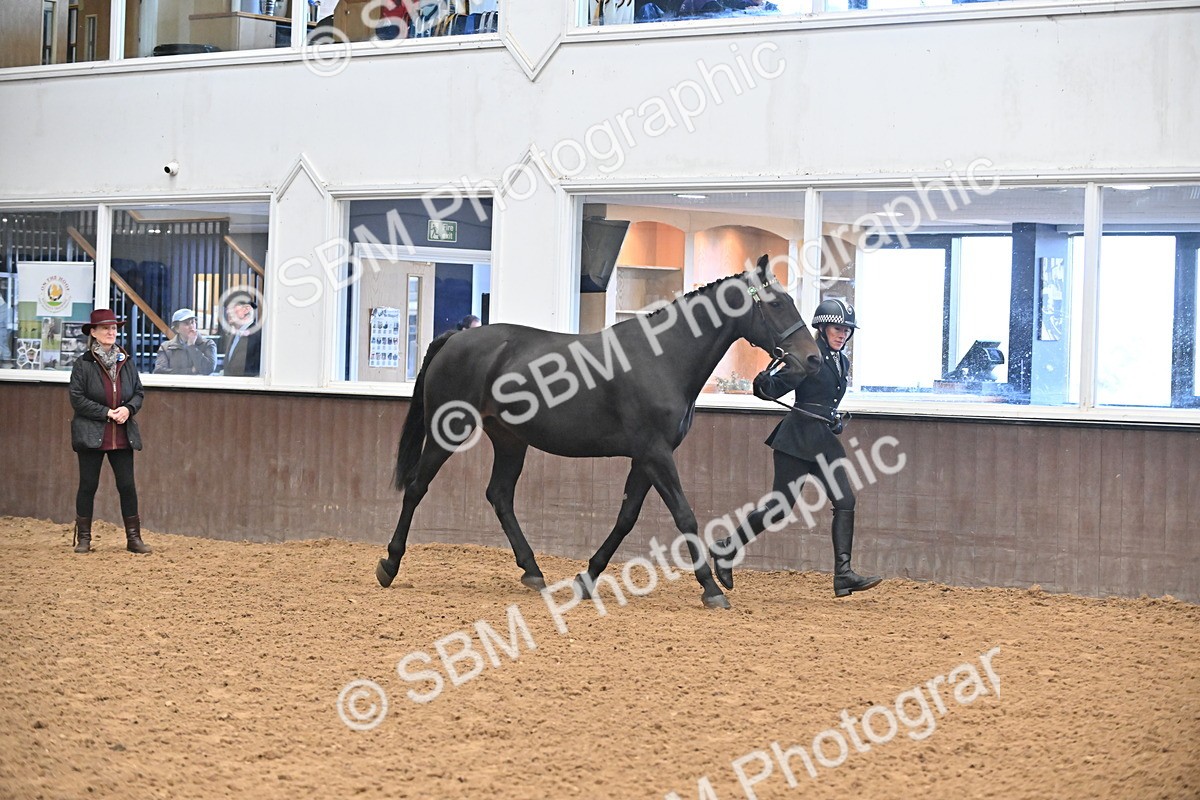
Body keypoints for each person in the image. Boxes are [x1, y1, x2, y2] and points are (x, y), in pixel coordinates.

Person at [712, 298, 881, 597]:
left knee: (845, 500)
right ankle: (727, 547)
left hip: (824, 441)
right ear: (822, 328)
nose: (842, 334)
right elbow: (774, 388)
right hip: (797, 440)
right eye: (837, 329)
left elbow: (826, 399)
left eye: (847, 330)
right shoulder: (809, 357)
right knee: (779, 508)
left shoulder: (842, 361)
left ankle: (843, 575)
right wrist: (763, 383)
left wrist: (833, 420)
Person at [69, 308, 150, 555]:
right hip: (91, 434)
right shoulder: (83, 364)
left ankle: (134, 539)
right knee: (88, 485)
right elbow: (77, 399)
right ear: (93, 332)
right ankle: (84, 539)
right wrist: (106, 412)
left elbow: (138, 393)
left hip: (122, 434)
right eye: (105, 328)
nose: (111, 332)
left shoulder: (126, 361)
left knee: (127, 486)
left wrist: (128, 409)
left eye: (113, 328)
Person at [154, 308, 217, 375]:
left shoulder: (208, 344)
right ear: (177, 329)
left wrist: (191, 346)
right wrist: (190, 371)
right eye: (186, 323)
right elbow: (159, 371)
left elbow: (209, 369)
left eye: (192, 322)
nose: (191, 326)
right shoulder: (166, 347)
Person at [222, 294, 261, 377]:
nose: (227, 312)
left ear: (246, 309)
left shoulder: (258, 335)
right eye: (227, 309)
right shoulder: (232, 335)